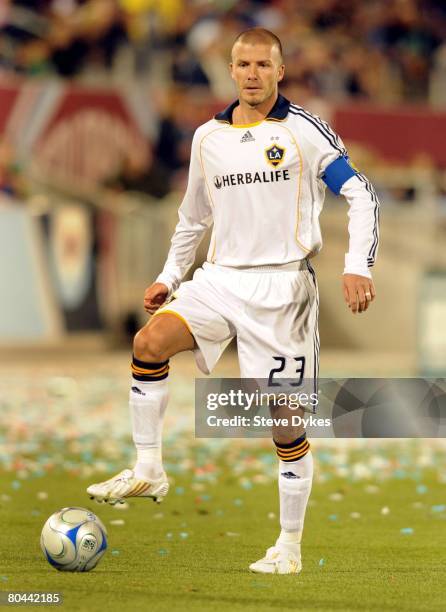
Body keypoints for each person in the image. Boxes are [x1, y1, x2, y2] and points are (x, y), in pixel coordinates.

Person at [87, 27, 379, 575]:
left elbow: (361, 193)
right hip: (220, 279)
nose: (252, 74)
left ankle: (289, 548)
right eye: (242, 65)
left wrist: (356, 266)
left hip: (283, 289)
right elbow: (193, 217)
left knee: (286, 424)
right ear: (230, 69)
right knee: (148, 342)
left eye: (262, 65)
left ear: (280, 70)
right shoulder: (207, 138)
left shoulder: (303, 130)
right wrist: (170, 276)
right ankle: (148, 466)